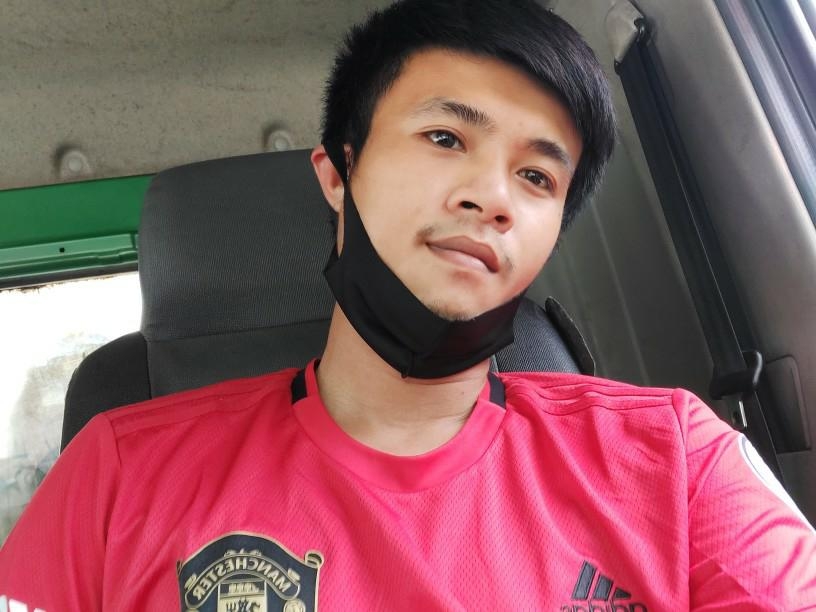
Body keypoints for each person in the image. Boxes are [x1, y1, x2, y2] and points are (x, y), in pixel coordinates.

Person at [1, 0, 815, 610]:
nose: (492, 197)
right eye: (446, 138)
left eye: (537, 177)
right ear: (337, 173)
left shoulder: (677, 461)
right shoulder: (119, 474)